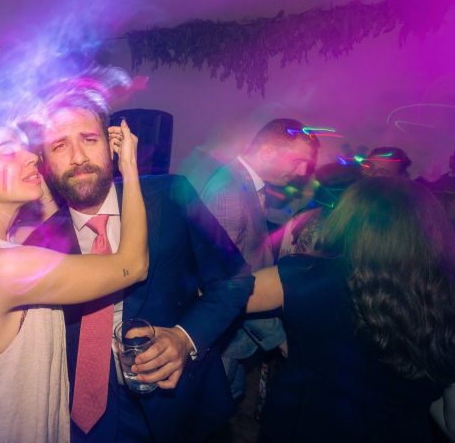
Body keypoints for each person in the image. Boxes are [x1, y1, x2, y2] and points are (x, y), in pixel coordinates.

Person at [25, 90, 254, 442]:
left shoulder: (171, 196)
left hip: (177, 406)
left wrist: (184, 338)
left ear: (112, 143)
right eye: (59, 146)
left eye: (88, 139)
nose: (77, 157)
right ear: (45, 163)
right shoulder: (39, 243)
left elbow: (234, 280)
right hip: (79, 416)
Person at [0, 119, 149, 443]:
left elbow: (47, 221)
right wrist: (129, 167)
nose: (31, 157)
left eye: (27, 149)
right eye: (8, 152)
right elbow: (134, 264)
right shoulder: (4, 268)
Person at [247, 178, 455, 442]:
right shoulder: (443, 297)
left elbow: (222, 298)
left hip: (305, 428)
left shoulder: (308, 276)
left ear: (349, 221)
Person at [201, 118, 319, 398]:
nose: (302, 171)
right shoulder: (228, 193)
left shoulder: (245, 184)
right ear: (267, 151)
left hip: (237, 336)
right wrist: (280, 338)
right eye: (297, 161)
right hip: (222, 342)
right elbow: (221, 285)